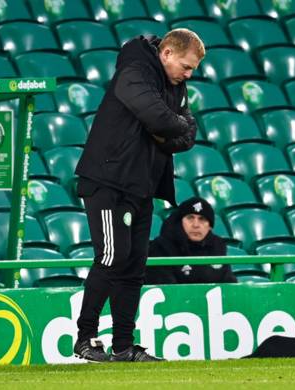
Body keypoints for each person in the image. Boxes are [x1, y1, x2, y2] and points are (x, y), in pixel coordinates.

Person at [73, 29, 205, 362]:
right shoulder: (134, 69)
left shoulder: (175, 86)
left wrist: (166, 128)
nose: (189, 75)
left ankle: (123, 346)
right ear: (167, 54)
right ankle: (85, 338)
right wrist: (168, 125)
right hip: (108, 181)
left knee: (133, 266)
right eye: (186, 67)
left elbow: (186, 133)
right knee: (111, 258)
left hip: (142, 186)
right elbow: (158, 117)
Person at [145, 197, 237, 285]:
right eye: (190, 218)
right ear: (180, 221)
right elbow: (166, 290)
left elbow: (229, 284)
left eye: (202, 219)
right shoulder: (161, 246)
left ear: (209, 226)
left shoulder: (218, 246)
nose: (196, 225)